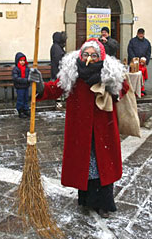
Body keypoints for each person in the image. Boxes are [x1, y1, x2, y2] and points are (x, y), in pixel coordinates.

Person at [29, 38, 127, 218]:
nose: (89, 58)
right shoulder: (73, 74)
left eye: (94, 55)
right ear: (80, 55)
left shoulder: (108, 73)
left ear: (101, 57)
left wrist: (113, 81)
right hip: (80, 129)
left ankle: (105, 204)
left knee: (103, 166)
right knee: (86, 167)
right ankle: (86, 201)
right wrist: (40, 85)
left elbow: (124, 89)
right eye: (86, 54)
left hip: (103, 130)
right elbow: (55, 88)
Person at [12, 52, 31, 118]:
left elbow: (29, 75)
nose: (22, 62)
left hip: (26, 86)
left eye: (23, 60)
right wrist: (26, 80)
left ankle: (26, 109)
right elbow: (16, 78)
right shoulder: (16, 69)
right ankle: (20, 110)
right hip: (19, 87)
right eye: (21, 61)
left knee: (26, 98)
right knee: (20, 99)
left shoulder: (27, 68)